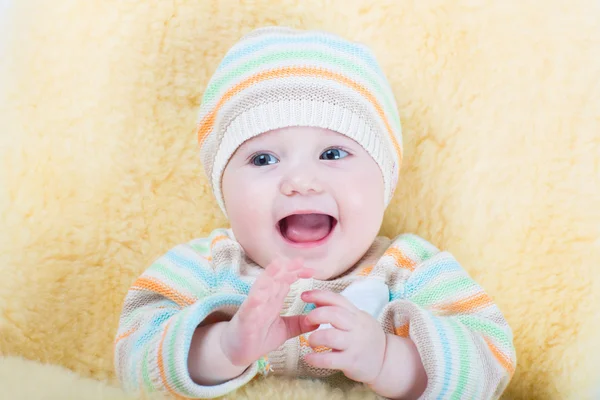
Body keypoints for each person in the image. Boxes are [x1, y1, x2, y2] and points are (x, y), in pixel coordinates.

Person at [114, 26, 516, 400]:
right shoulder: (207, 266)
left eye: (333, 153)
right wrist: (223, 347)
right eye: (263, 158)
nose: (301, 181)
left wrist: (386, 358)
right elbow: (133, 359)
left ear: (384, 180)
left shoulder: (408, 270)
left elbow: (490, 361)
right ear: (222, 190)